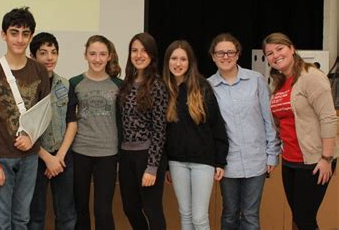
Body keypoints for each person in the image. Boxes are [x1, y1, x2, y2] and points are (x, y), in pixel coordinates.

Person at [0, 7, 50, 230]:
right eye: (14, 32)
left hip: (29, 158)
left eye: (25, 33)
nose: (19, 39)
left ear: (30, 36)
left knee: (22, 220)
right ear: (3, 35)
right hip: (1, 158)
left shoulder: (39, 70)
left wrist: (32, 139)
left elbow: (44, 113)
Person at [262, 32, 338, 230]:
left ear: (292, 48)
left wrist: (326, 158)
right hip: (290, 160)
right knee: (298, 217)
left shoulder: (310, 76)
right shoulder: (278, 83)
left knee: (305, 220)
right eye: (269, 53)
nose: (275, 55)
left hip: (314, 160)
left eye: (280, 49)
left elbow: (328, 118)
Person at [207, 33, 280, 230]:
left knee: (250, 215)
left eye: (230, 52)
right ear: (213, 56)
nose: (225, 56)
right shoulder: (208, 87)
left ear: (238, 54)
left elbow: (268, 119)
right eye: (220, 52)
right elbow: (208, 129)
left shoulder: (255, 80)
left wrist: (272, 154)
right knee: (230, 214)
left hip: (256, 160)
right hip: (227, 163)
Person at [163, 40, 229, 230]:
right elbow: (162, 132)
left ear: (190, 62)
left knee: (199, 217)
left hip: (203, 162)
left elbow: (217, 125)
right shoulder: (163, 89)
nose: (178, 63)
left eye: (183, 59)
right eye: (174, 58)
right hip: (176, 162)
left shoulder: (203, 87)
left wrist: (220, 161)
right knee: (185, 215)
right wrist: (166, 165)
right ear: (167, 61)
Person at [66, 35, 122, 230]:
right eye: (92, 54)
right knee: (80, 208)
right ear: (85, 55)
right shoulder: (74, 83)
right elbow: (69, 119)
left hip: (108, 154)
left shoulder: (118, 85)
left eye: (102, 54)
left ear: (109, 57)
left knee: (103, 210)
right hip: (80, 152)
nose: (97, 59)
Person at [118, 32, 168, 230]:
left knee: (152, 209)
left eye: (144, 51)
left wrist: (152, 167)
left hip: (148, 156)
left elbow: (160, 129)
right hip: (126, 155)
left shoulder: (158, 85)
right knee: (130, 208)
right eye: (134, 50)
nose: (139, 55)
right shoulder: (126, 84)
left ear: (152, 55)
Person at [28, 32, 77, 230]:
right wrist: (47, 158)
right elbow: (23, 129)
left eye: (53, 52)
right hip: (34, 157)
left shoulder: (65, 85)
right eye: (43, 53)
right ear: (33, 56)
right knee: (35, 215)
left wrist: (59, 157)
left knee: (66, 214)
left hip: (63, 156)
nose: (49, 58)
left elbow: (72, 122)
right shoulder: (26, 87)